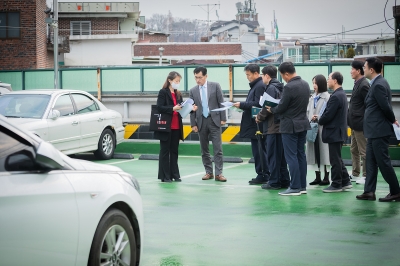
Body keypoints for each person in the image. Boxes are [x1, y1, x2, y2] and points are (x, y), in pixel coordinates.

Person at [356, 57, 400, 202]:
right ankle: (369, 191)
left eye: (365, 66)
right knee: (371, 162)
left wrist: (393, 119)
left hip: (379, 131)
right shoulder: (376, 83)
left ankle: (395, 191)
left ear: (371, 69)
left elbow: (385, 107)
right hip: (374, 131)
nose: (364, 68)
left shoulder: (379, 85)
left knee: (383, 162)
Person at [266, 62, 310, 196]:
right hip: (302, 123)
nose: (283, 79)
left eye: (282, 76)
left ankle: (295, 186)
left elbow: (282, 107)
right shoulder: (305, 84)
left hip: (289, 125)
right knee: (301, 155)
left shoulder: (289, 87)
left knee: (291, 156)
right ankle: (302, 186)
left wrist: (271, 109)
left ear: (286, 74)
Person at [154, 71, 197, 183]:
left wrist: (191, 109)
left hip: (177, 126)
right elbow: (159, 107)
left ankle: (175, 174)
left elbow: (182, 109)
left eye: (179, 81)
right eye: (176, 81)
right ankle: (165, 176)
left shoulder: (178, 94)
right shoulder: (163, 92)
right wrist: (172, 108)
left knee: (174, 151)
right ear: (169, 80)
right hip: (166, 126)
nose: (177, 83)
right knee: (165, 151)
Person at [233, 63, 269, 185]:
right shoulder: (256, 85)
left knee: (259, 150)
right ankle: (263, 173)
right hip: (255, 123)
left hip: (256, 125)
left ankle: (263, 173)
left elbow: (258, 104)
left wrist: (242, 105)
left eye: (248, 75)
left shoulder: (258, 86)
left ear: (256, 73)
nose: (247, 77)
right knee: (258, 149)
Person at [189, 66, 227, 182]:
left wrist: (223, 117)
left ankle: (219, 173)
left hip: (214, 119)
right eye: (196, 78)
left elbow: (221, 102)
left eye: (200, 77)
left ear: (206, 76)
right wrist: (193, 124)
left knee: (217, 148)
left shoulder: (215, 86)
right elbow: (192, 109)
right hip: (201, 121)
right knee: (204, 149)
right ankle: (208, 172)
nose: (198, 80)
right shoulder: (193, 90)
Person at [255, 65, 290, 190]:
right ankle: (284, 180)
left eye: (262, 75)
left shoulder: (270, 88)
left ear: (267, 76)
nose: (261, 77)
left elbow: (267, 108)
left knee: (273, 155)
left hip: (272, 127)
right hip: (281, 126)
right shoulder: (283, 87)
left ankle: (274, 181)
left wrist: (259, 116)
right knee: (281, 156)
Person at [318, 72, 352, 192]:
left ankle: (336, 183)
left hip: (334, 132)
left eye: (329, 79)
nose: (327, 81)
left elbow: (328, 115)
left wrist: (319, 119)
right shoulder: (342, 94)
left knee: (334, 159)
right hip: (339, 131)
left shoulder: (336, 96)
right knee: (337, 157)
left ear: (335, 81)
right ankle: (346, 180)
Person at [348, 60, 370, 185]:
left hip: (360, 124)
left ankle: (366, 175)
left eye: (352, 69)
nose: (351, 71)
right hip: (354, 124)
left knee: (364, 150)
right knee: (353, 149)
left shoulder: (364, 85)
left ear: (358, 70)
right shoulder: (357, 83)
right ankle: (355, 173)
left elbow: (368, 104)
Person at [307, 75, 331, 186]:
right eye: (313, 83)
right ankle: (317, 177)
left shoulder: (327, 97)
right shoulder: (312, 98)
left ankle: (326, 177)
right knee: (314, 152)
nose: (314, 86)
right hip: (312, 127)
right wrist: (310, 118)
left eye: (315, 83)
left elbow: (328, 113)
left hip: (322, 128)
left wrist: (319, 117)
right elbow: (307, 111)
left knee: (324, 152)